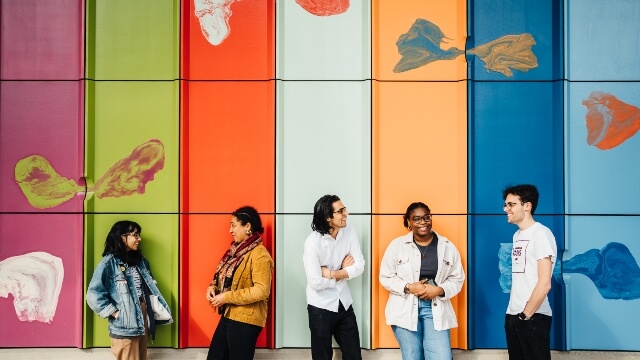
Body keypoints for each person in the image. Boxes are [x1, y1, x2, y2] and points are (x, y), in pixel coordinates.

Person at [379, 202, 465, 360]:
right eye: (417, 219)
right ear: (408, 222)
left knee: (442, 356)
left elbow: (457, 278)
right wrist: (408, 287)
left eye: (426, 217)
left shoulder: (447, 246)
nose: (423, 222)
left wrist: (439, 290)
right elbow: (386, 277)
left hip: (435, 307)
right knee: (412, 356)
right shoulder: (397, 246)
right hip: (404, 307)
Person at [87, 220, 173, 360]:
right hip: (125, 322)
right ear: (122, 237)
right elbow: (93, 294)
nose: (139, 239)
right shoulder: (109, 263)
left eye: (139, 235)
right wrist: (114, 312)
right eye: (135, 235)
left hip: (142, 316)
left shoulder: (141, 261)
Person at [205, 206, 274, 360]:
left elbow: (262, 290)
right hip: (230, 314)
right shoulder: (235, 251)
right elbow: (223, 275)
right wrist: (213, 287)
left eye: (234, 225)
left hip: (246, 319)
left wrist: (226, 297)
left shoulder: (260, 255)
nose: (230, 230)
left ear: (247, 226)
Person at [303, 194, 365, 360]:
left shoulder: (349, 232)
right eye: (341, 211)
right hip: (320, 307)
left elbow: (360, 266)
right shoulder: (313, 243)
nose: (346, 214)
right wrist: (345, 272)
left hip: (344, 303)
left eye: (344, 209)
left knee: (354, 356)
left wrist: (333, 273)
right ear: (328, 218)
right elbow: (315, 282)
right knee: (322, 356)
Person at [502, 184, 557, 360]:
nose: (506, 209)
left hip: (533, 316)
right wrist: (514, 316)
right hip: (513, 315)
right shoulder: (517, 235)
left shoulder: (540, 233)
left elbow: (544, 283)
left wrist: (525, 316)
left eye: (511, 204)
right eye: (506, 204)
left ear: (527, 205)